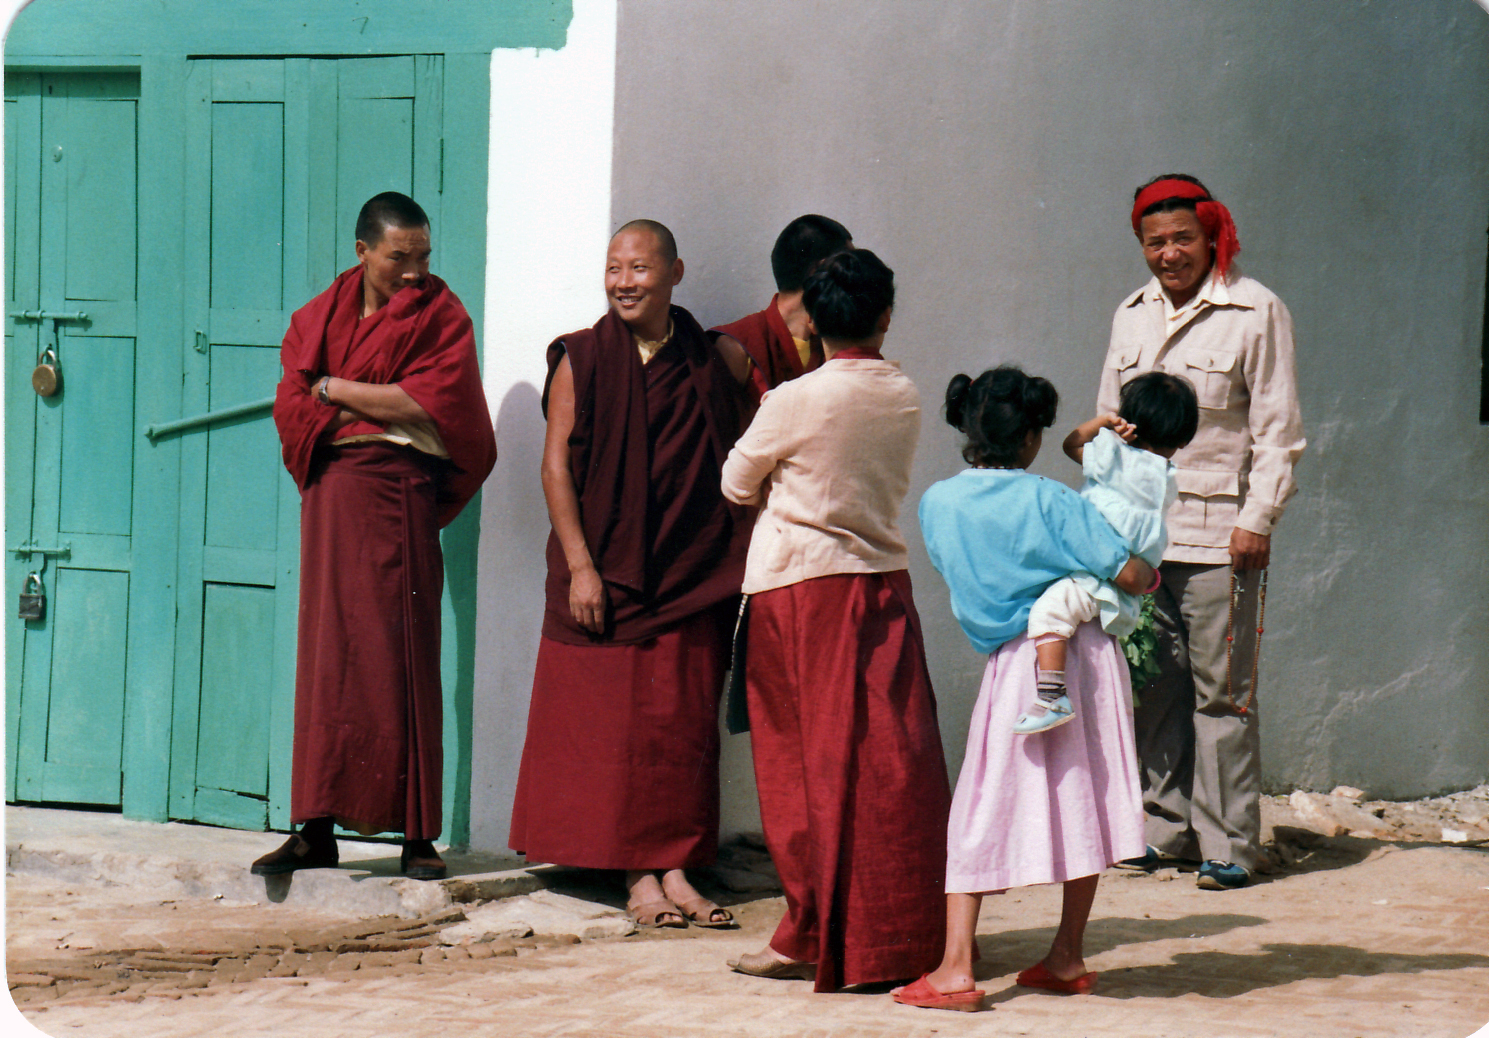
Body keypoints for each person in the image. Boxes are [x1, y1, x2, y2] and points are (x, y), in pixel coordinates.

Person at [508, 220, 753, 928]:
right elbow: (555, 465)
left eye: (638, 268)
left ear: (674, 272)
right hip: (607, 575)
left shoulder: (707, 361)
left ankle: (674, 867)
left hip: (684, 574)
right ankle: (635, 875)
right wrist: (582, 568)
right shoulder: (581, 358)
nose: (622, 281)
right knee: (615, 733)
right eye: (613, 267)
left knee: (677, 730)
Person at [720, 249, 950, 993]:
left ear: (812, 320)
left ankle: (808, 932)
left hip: (800, 590)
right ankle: (895, 937)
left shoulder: (794, 398)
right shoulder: (903, 391)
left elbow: (734, 481)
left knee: (798, 767)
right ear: (885, 316)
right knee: (888, 762)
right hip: (879, 582)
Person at [899, 366, 1154, 1012]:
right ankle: (1065, 953)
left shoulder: (935, 503)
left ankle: (955, 965)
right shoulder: (1052, 501)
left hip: (1012, 664)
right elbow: (1127, 571)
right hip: (1084, 657)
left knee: (981, 805)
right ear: (1032, 437)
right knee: (1084, 796)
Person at [262, 192, 497, 881]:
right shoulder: (317, 316)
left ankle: (418, 837)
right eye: (400, 257)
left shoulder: (441, 315)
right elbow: (290, 403)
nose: (415, 272)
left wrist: (332, 388)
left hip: (398, 493)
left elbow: (426, 403)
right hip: (334, 497)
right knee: (330, 656)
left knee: (404, 652)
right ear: (363, 252)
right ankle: (315, 828)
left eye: (423, 256)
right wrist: (352, 397)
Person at [1103, 174, 1305, 890]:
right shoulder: (1129, 317)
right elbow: (1107, 426)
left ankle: (1229, 845)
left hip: (1220, 537)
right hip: (1142, 543)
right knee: (1152, 685)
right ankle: (1166, 830)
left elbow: (1277, 432)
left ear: (1211, 234)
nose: (1168, 254)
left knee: (1222, 695)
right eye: (1153, 242)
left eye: (1182, 238)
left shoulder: (1255, 311)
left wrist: (1258, 517)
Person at [1014, 371, 1198, 735]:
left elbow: (1070, 444)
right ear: (1180, 438)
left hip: (1093, 574)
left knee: (1048, 613)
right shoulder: (1165, 477)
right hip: (1120, 576)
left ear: (1130, 419)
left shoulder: (1114, 457)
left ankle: (1052, 695)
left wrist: (1105, 426)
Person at [711, 214, 852, 401]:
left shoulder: (837, 341)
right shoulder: (737, 347)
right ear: (820, 271)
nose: (855, 279)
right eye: (847, 267)